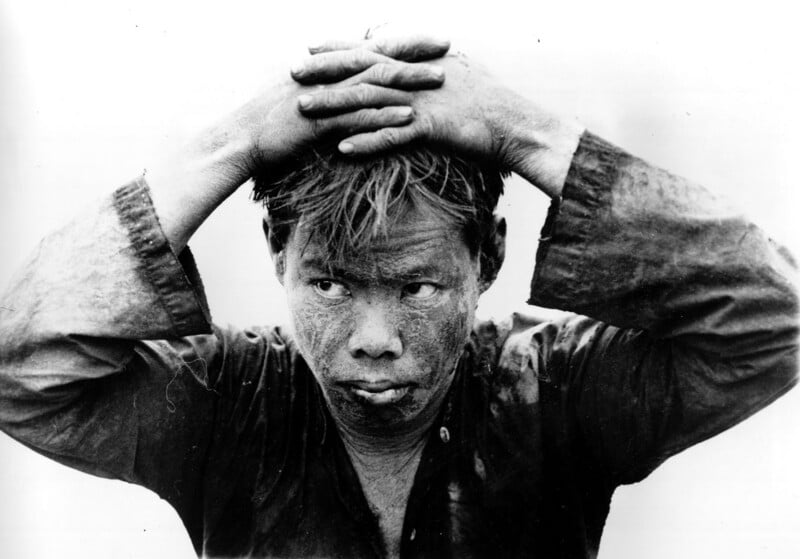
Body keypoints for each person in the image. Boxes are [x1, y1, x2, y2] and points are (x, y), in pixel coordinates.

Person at [0, 34, 796, 558]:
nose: (374, 337)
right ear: (278, 254)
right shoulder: (224, 402)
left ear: (488, 259)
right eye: (331, 283)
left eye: (417, 285)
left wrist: (525, 131)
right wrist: (234, 140)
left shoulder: (556, 391)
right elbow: (19, 372)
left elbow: (776, 318)